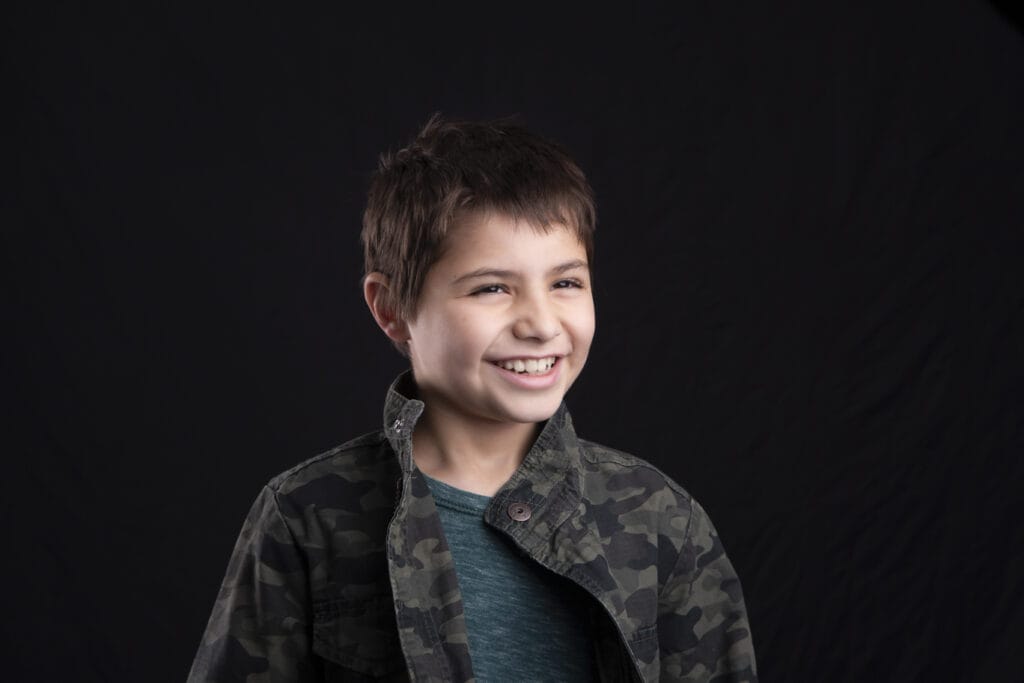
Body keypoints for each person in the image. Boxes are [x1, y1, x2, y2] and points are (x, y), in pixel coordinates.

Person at [188, 115, 757, 682]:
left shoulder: (662, 522)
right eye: (492, 288)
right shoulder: (307, 518)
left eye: (566, 283)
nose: (540, 323)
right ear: (391, 309)